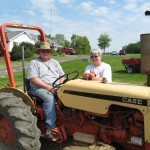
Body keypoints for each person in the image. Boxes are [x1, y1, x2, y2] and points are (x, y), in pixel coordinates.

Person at [27, 41, 65, 141]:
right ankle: (50, 129)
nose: (46, 53)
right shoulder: (34, 63)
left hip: (56, 86)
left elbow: (62, 76)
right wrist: (48, 87)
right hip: (38, 88)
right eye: (43, 51)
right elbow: (33, 79)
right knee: (49, 98)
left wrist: (61, 85)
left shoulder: (55, 62)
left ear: (50, 52)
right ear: (39, 52)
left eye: (48, 51)